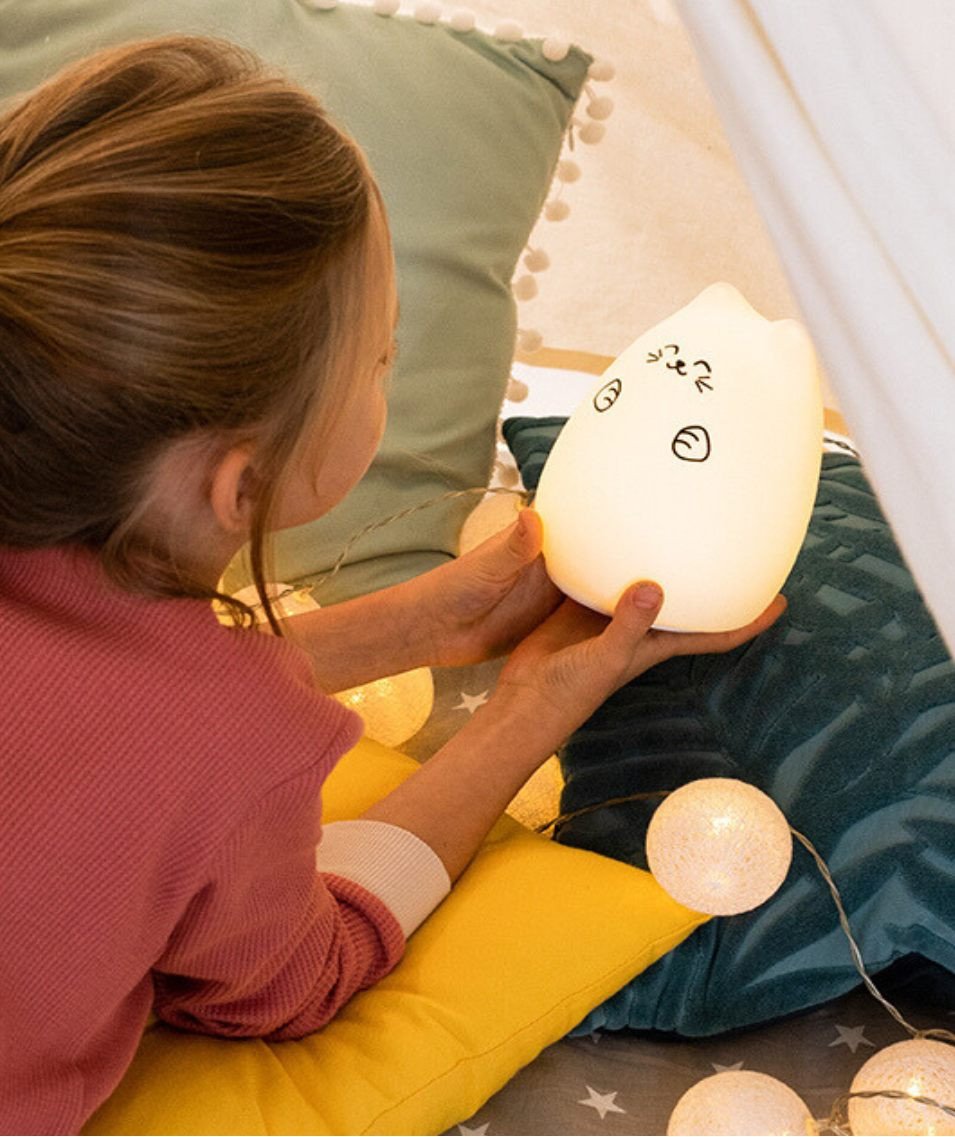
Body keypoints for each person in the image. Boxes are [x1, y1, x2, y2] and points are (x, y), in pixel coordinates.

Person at [0, 36, 785, 1135]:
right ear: (245, 483)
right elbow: (286, 979)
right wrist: (523, 713)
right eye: (383, 356)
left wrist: (408, 624)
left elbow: (95, 715)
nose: (388, 372)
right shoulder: (230, 742)